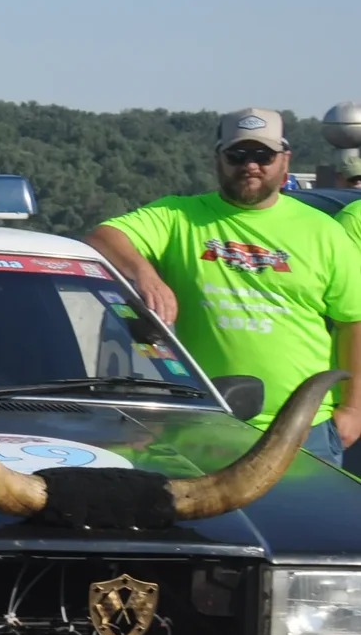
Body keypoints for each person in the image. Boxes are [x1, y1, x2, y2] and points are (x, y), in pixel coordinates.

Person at [87, 109, 361, 462]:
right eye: (238, 155)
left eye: (263, 155)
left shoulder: (324, 232)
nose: (251, 165)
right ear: (218, 159)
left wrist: (353, 410)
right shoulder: (178, 217)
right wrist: (146, 275)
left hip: (305, 430)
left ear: (285, 160)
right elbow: (104, 236)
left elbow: (353, 322)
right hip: (202, 426)